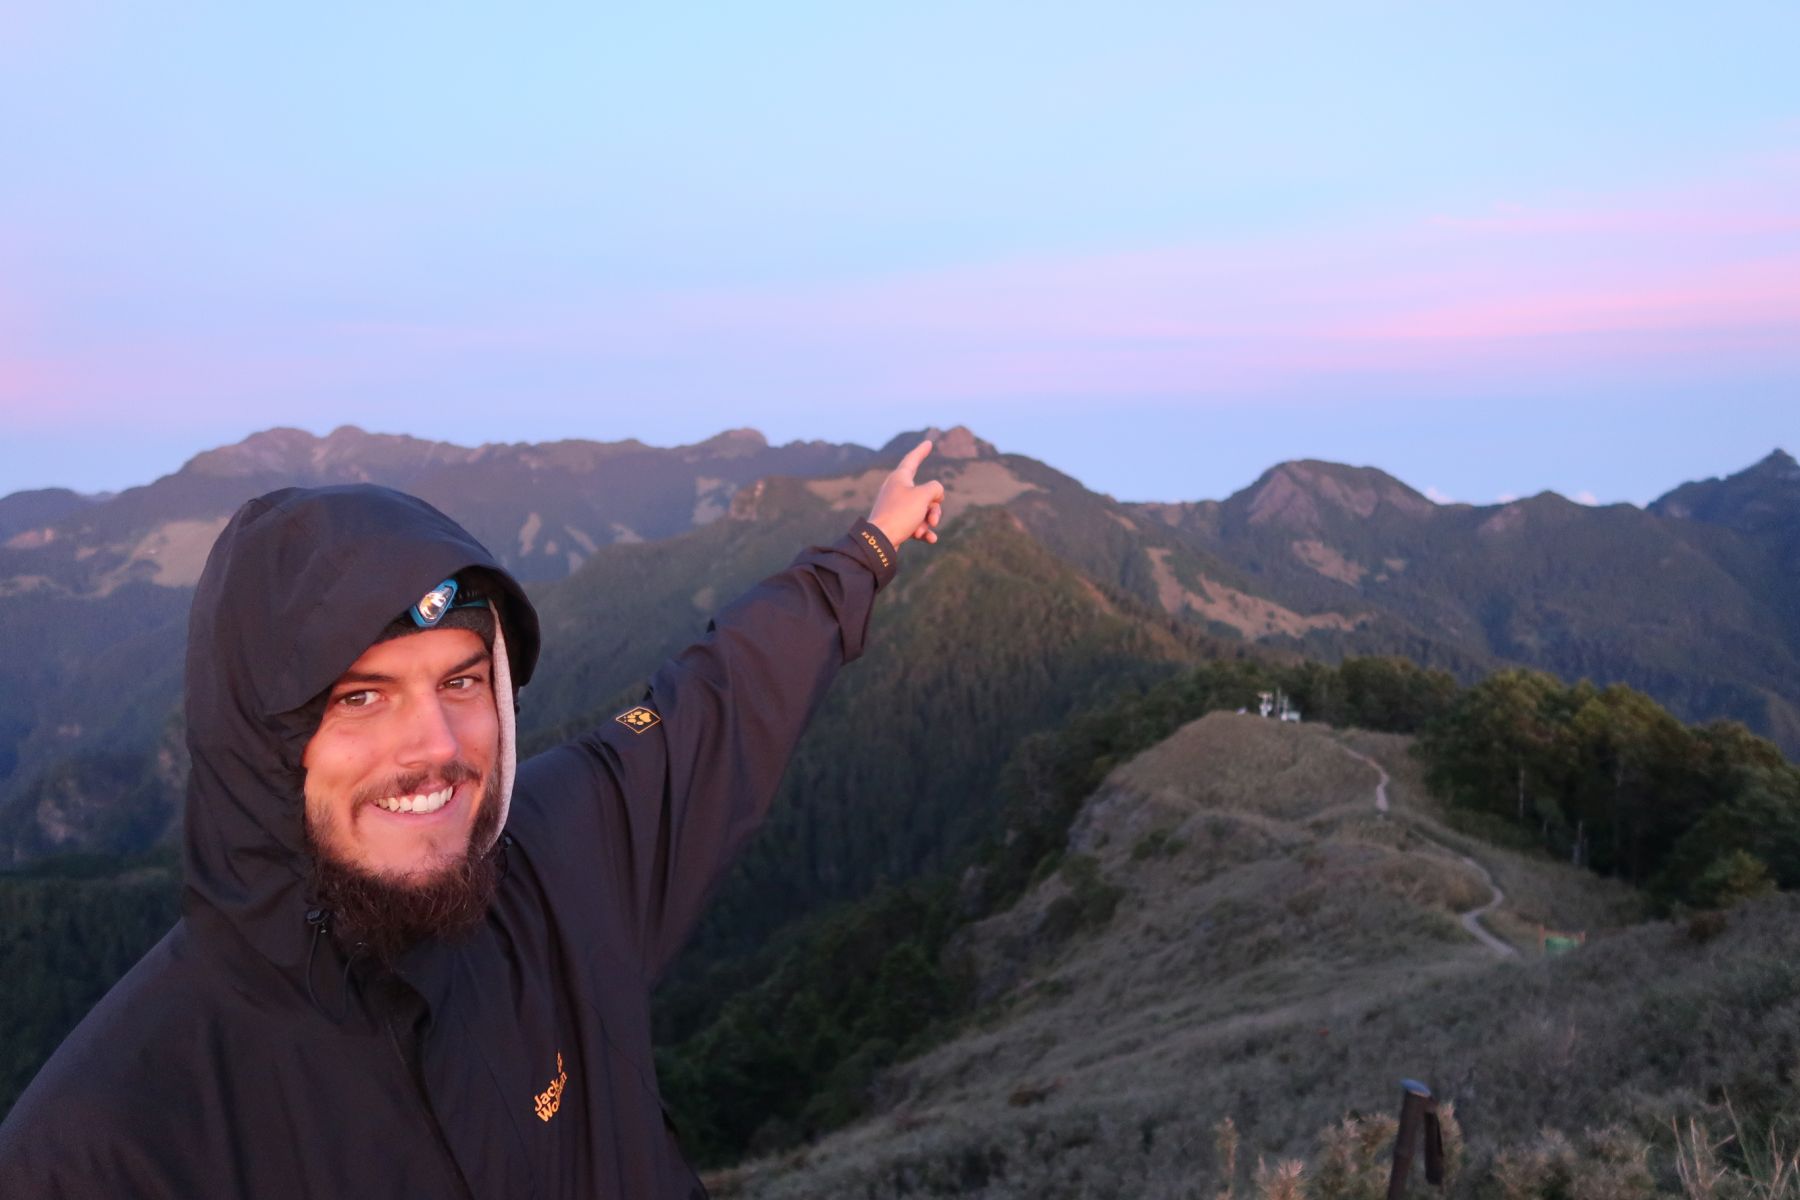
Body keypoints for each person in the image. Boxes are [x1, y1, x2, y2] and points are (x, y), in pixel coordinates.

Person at [0, 439, 946, 1198]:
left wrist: (866, 550)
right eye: (360, 699)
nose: (439, 747)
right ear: (258, 745)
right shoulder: (106, 1144)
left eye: (462, 682)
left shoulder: (559, 857)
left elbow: (723, 698)